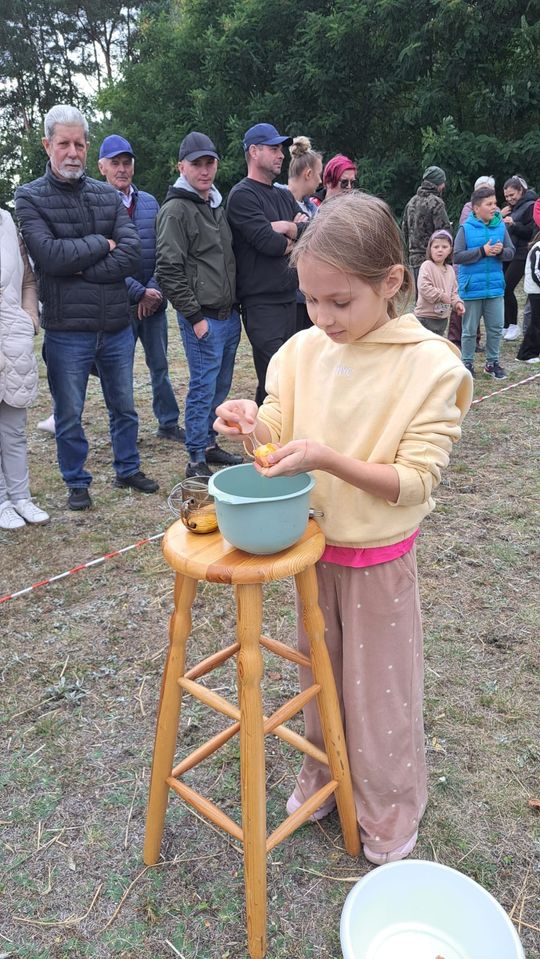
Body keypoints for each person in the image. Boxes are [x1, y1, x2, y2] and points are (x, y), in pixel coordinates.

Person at [213, 192, 473, 864]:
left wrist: (329, 457)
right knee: (316, 678)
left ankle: (388, 805)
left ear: (391, 283)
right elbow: (276, 430)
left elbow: (415, 480)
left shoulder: (431, 367)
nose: (323, 318)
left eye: (340, 302)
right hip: (311, 553)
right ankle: (322, 774)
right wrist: (252, 424)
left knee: (381, 694)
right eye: (311, 300)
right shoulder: (301, 352)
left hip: (379, 562)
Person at [15, 104, 158, 511]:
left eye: (79, 143)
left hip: (114, 323)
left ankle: (127, 467)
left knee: (124, 406)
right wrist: (101, 245)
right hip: (66, 329)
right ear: (48, 145)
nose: (73, 151)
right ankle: (77, 481)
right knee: (70, 413)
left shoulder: (105, 194)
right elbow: (48, 257)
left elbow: (132, 255)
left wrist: (81, 269)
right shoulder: (29, 197)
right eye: (64, 143)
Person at [155, 131, 242, 478]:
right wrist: (193, 316)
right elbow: (167, 268)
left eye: (210, 163)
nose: (204, 170)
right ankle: (195, 457)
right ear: (182, 167)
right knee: (203, 386)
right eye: (197, 164)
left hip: (228, 314)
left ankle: (208, 443)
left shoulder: (215, 205)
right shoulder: (176, 210)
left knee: (219, 386)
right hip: (203, 317)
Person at [98, 134, 182, 443]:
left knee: (159, 366)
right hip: (119, 305)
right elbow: (103, 258)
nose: (122, 169)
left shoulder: (149, 202)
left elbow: (164, 250)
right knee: (119, 374)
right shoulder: (96, 204)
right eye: (115, 163)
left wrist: (154, 290)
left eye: (127, 162)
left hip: (154, 302)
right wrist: (138, 293)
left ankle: (168, 423)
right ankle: (125, 433)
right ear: (102, 167)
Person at [227, 123, 308, 405]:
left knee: (290, 377)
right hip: (261, 304)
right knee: (275, 377)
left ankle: (274, 439)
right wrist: (289, 231)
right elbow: (268, 244)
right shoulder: (242, 196)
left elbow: (312, 232)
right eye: (273, 149)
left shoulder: (283, 195)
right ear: (253, 151)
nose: (281, 155)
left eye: (281, 149)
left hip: (292, 301)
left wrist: (287, 229)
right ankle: (266, 442)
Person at [0, 210, 50, 529]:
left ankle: (21, 497)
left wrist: (29, 318)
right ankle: (1, 500)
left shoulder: (5, 221)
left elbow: (27, 279)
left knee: (14, 428)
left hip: (12, 339)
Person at [454, 185, 514, 379]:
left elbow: (511, 252)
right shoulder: (466, 228)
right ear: (476, 208)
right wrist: (482, 251)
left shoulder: (500, 226)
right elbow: (457, 256)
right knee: (469, 330)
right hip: (472, 289)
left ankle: (492, 362)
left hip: (495, 287)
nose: (494, 208)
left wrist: (500, 252)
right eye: (489, 204)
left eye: (495, 203)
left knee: (495, 328)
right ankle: (467, 363)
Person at [278, 136, 323, 331]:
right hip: (288, 297)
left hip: (310, 296)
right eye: (319, 174)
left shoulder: (312, 208)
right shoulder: (277, 199)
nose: (321, 180)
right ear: (308, 174)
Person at [449, 176, 496, 349]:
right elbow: (464, 242)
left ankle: (475, 341)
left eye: (488, 189)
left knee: (478, 304)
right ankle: (455, 339)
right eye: (481, 188)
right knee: (462, 301)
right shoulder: (468, 209)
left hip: (486, 266)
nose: (484, 192)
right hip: (468, 264)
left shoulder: (495, 213)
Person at [402, 166, 451, 291]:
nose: (444, 186)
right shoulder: (436, 203)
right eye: (442, 182)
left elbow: (404, 232)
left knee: (421, 298)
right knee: (437, 296)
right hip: (434, 259)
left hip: (415, 260)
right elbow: (444, 233)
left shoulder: (411, 202)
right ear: (438, 183)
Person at [500, 175, 537, 341]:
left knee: (507, 287)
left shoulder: (530, 206)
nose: (509, 198)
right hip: (508, 252)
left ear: (521, 191)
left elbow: (531, 232)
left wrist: (513, 225)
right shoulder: (509, 208)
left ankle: (514, 326)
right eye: (506, 196)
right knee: (502, 288)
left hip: (522, 253)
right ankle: (506, 325)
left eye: (512, 195)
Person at [414, 230, 465, 336]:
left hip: (442, 319)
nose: (440, 250)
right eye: (436, 247)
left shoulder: (450, 270)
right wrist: (441, 296)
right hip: (425, 317)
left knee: (436, 348)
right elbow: (424, 288)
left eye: (444, 247)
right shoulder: (427, 265)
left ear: (450, 250)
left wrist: (457, 303)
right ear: (430, 249)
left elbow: (453, 292)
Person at [517, 230, 540, 364]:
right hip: (536, 292)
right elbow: (536, 271)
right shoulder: (538, 248)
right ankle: (526, 353)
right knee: (536, 323)